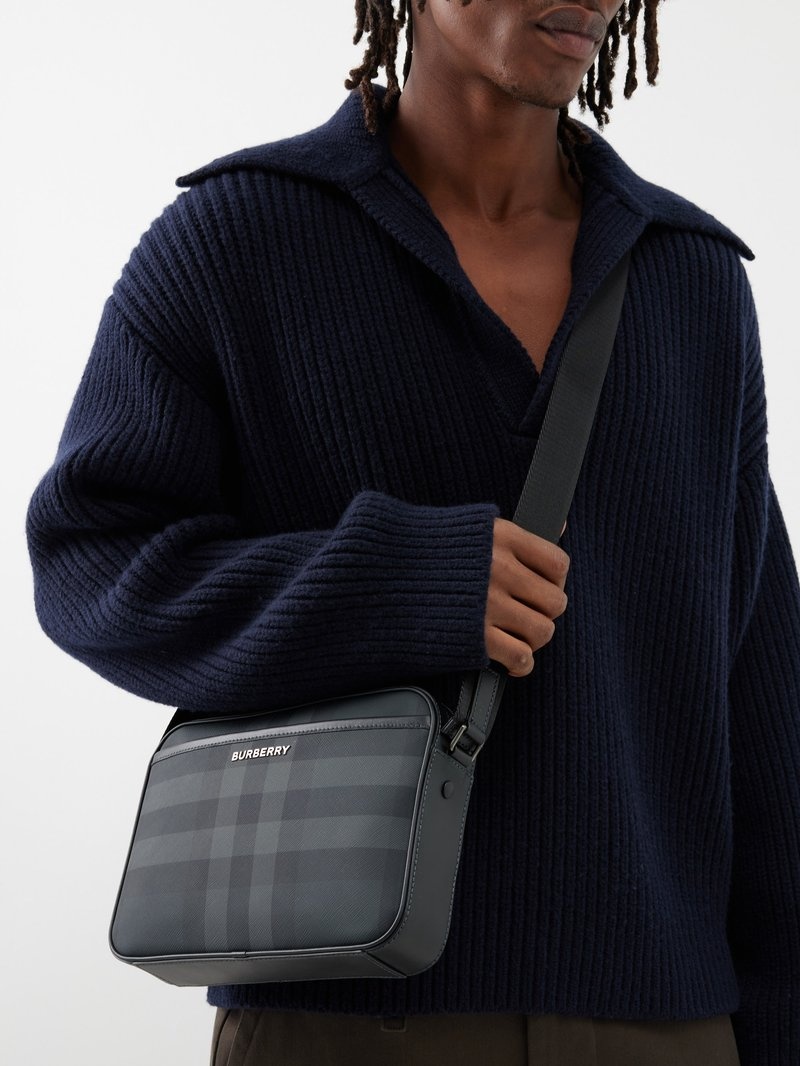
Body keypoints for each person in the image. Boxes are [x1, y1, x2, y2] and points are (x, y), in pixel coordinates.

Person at [25, 1, 800, 1064]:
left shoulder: (692, 279)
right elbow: (90, 561)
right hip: (338, 1019)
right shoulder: (240, 239)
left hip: (666, 1026)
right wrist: (399, 585)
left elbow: (761, 693)